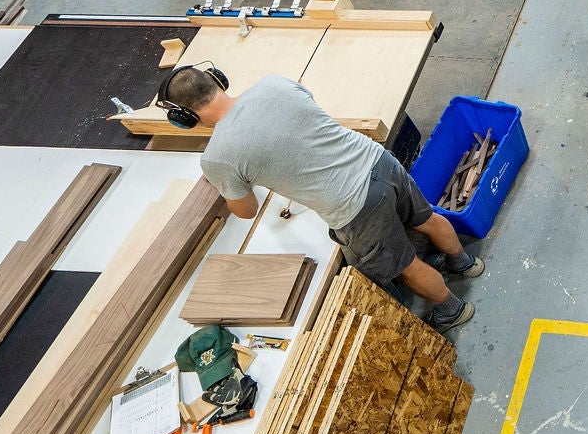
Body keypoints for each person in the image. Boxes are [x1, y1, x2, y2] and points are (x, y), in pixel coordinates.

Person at [165, 65, 483, 332]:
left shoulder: (218, 157)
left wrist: (225, 181)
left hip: (355, 207)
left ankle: (452, 309)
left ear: (186, 116)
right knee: (426, 219)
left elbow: (247, 210)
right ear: (217, 80)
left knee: (406, 265)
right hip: (377, 161)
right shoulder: (273, 84)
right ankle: (465, 263)